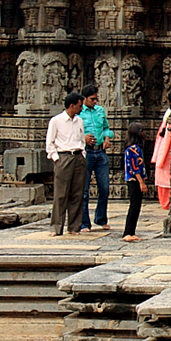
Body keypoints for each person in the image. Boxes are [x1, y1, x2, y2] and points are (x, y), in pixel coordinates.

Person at [44, 91, 87, 236]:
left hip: (78, 156)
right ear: (72, 106)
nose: (81, 109)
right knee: (61, 194)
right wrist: (56, 158)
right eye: (79, 106)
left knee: (77, 193)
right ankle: (56, 226)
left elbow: (81, 139)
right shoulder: (56, 121)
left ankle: (74, 226)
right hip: (63, 156)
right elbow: (50, 142)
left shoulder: (79, 121)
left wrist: (83, 154)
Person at [78, 83, 113, 233]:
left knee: (104, 187)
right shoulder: (79, 114)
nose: (95, 102)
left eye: (96, 99)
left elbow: (106, 127)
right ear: (84, 99)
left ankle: (101, 218)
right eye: (92, 99)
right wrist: (83, 137)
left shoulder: (99, 111)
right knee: (84, 189)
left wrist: (107, 138)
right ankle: (84, 222)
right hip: (86, 151)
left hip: (100, 151)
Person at [151, 89, 171, 211]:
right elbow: (164, 143)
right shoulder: (170, 121)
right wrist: (160, 160)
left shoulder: (168, 119)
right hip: (168, 157)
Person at [121, 122, 148, 242]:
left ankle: (131, 231)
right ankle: (128, 232)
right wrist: (141, 182)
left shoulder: (134, 147)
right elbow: (134, 167)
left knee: (136, 205)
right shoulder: (133, 149)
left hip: (135, 179)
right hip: (134, 180)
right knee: (134, 205)